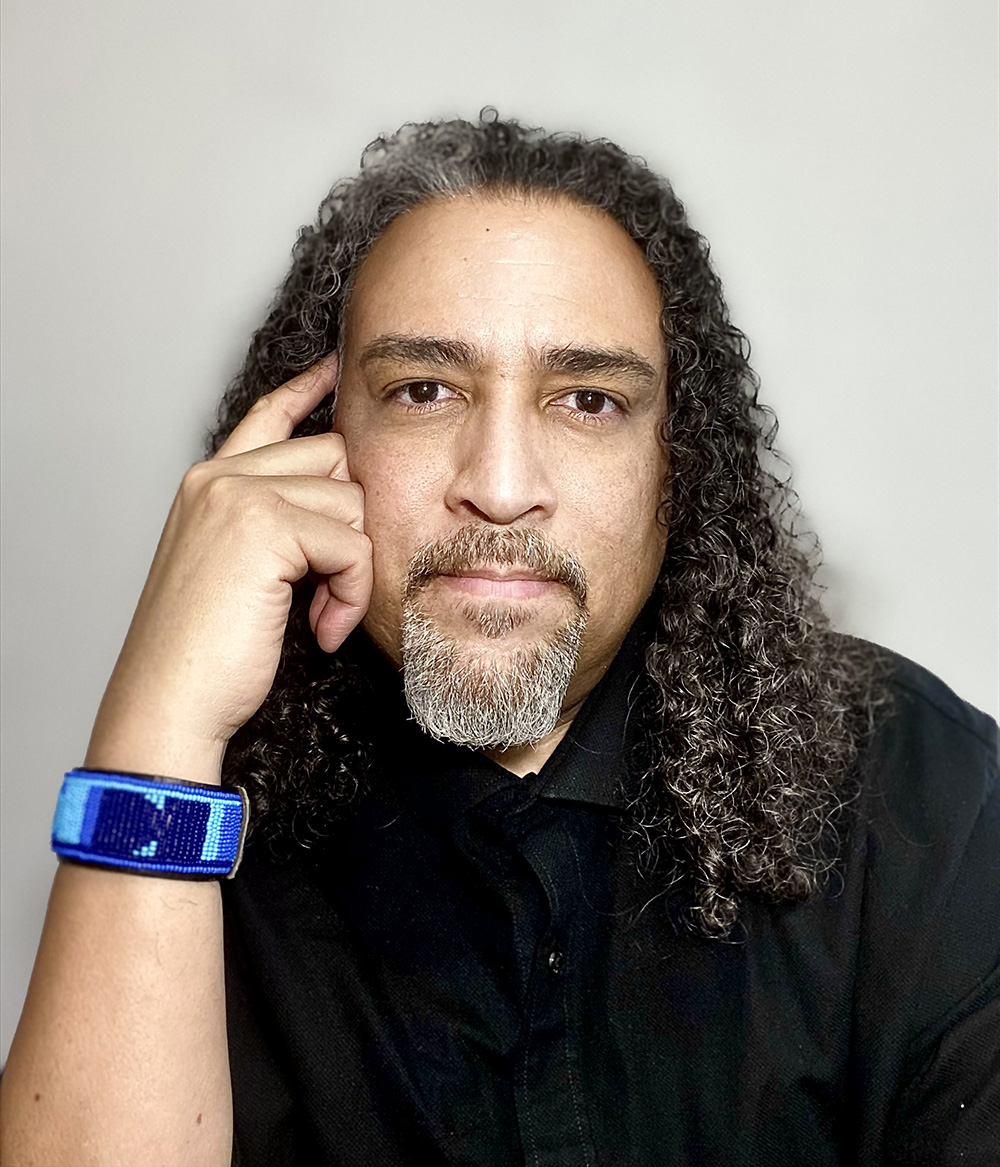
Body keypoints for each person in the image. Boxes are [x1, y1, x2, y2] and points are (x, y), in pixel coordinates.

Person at [1, 113, 996, 1167]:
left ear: (680, 470)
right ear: (314, 445)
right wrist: (160, 715)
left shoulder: (918, 796)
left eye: (587, 400)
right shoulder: (212, 806)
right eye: (424, 391)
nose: (502, 486)